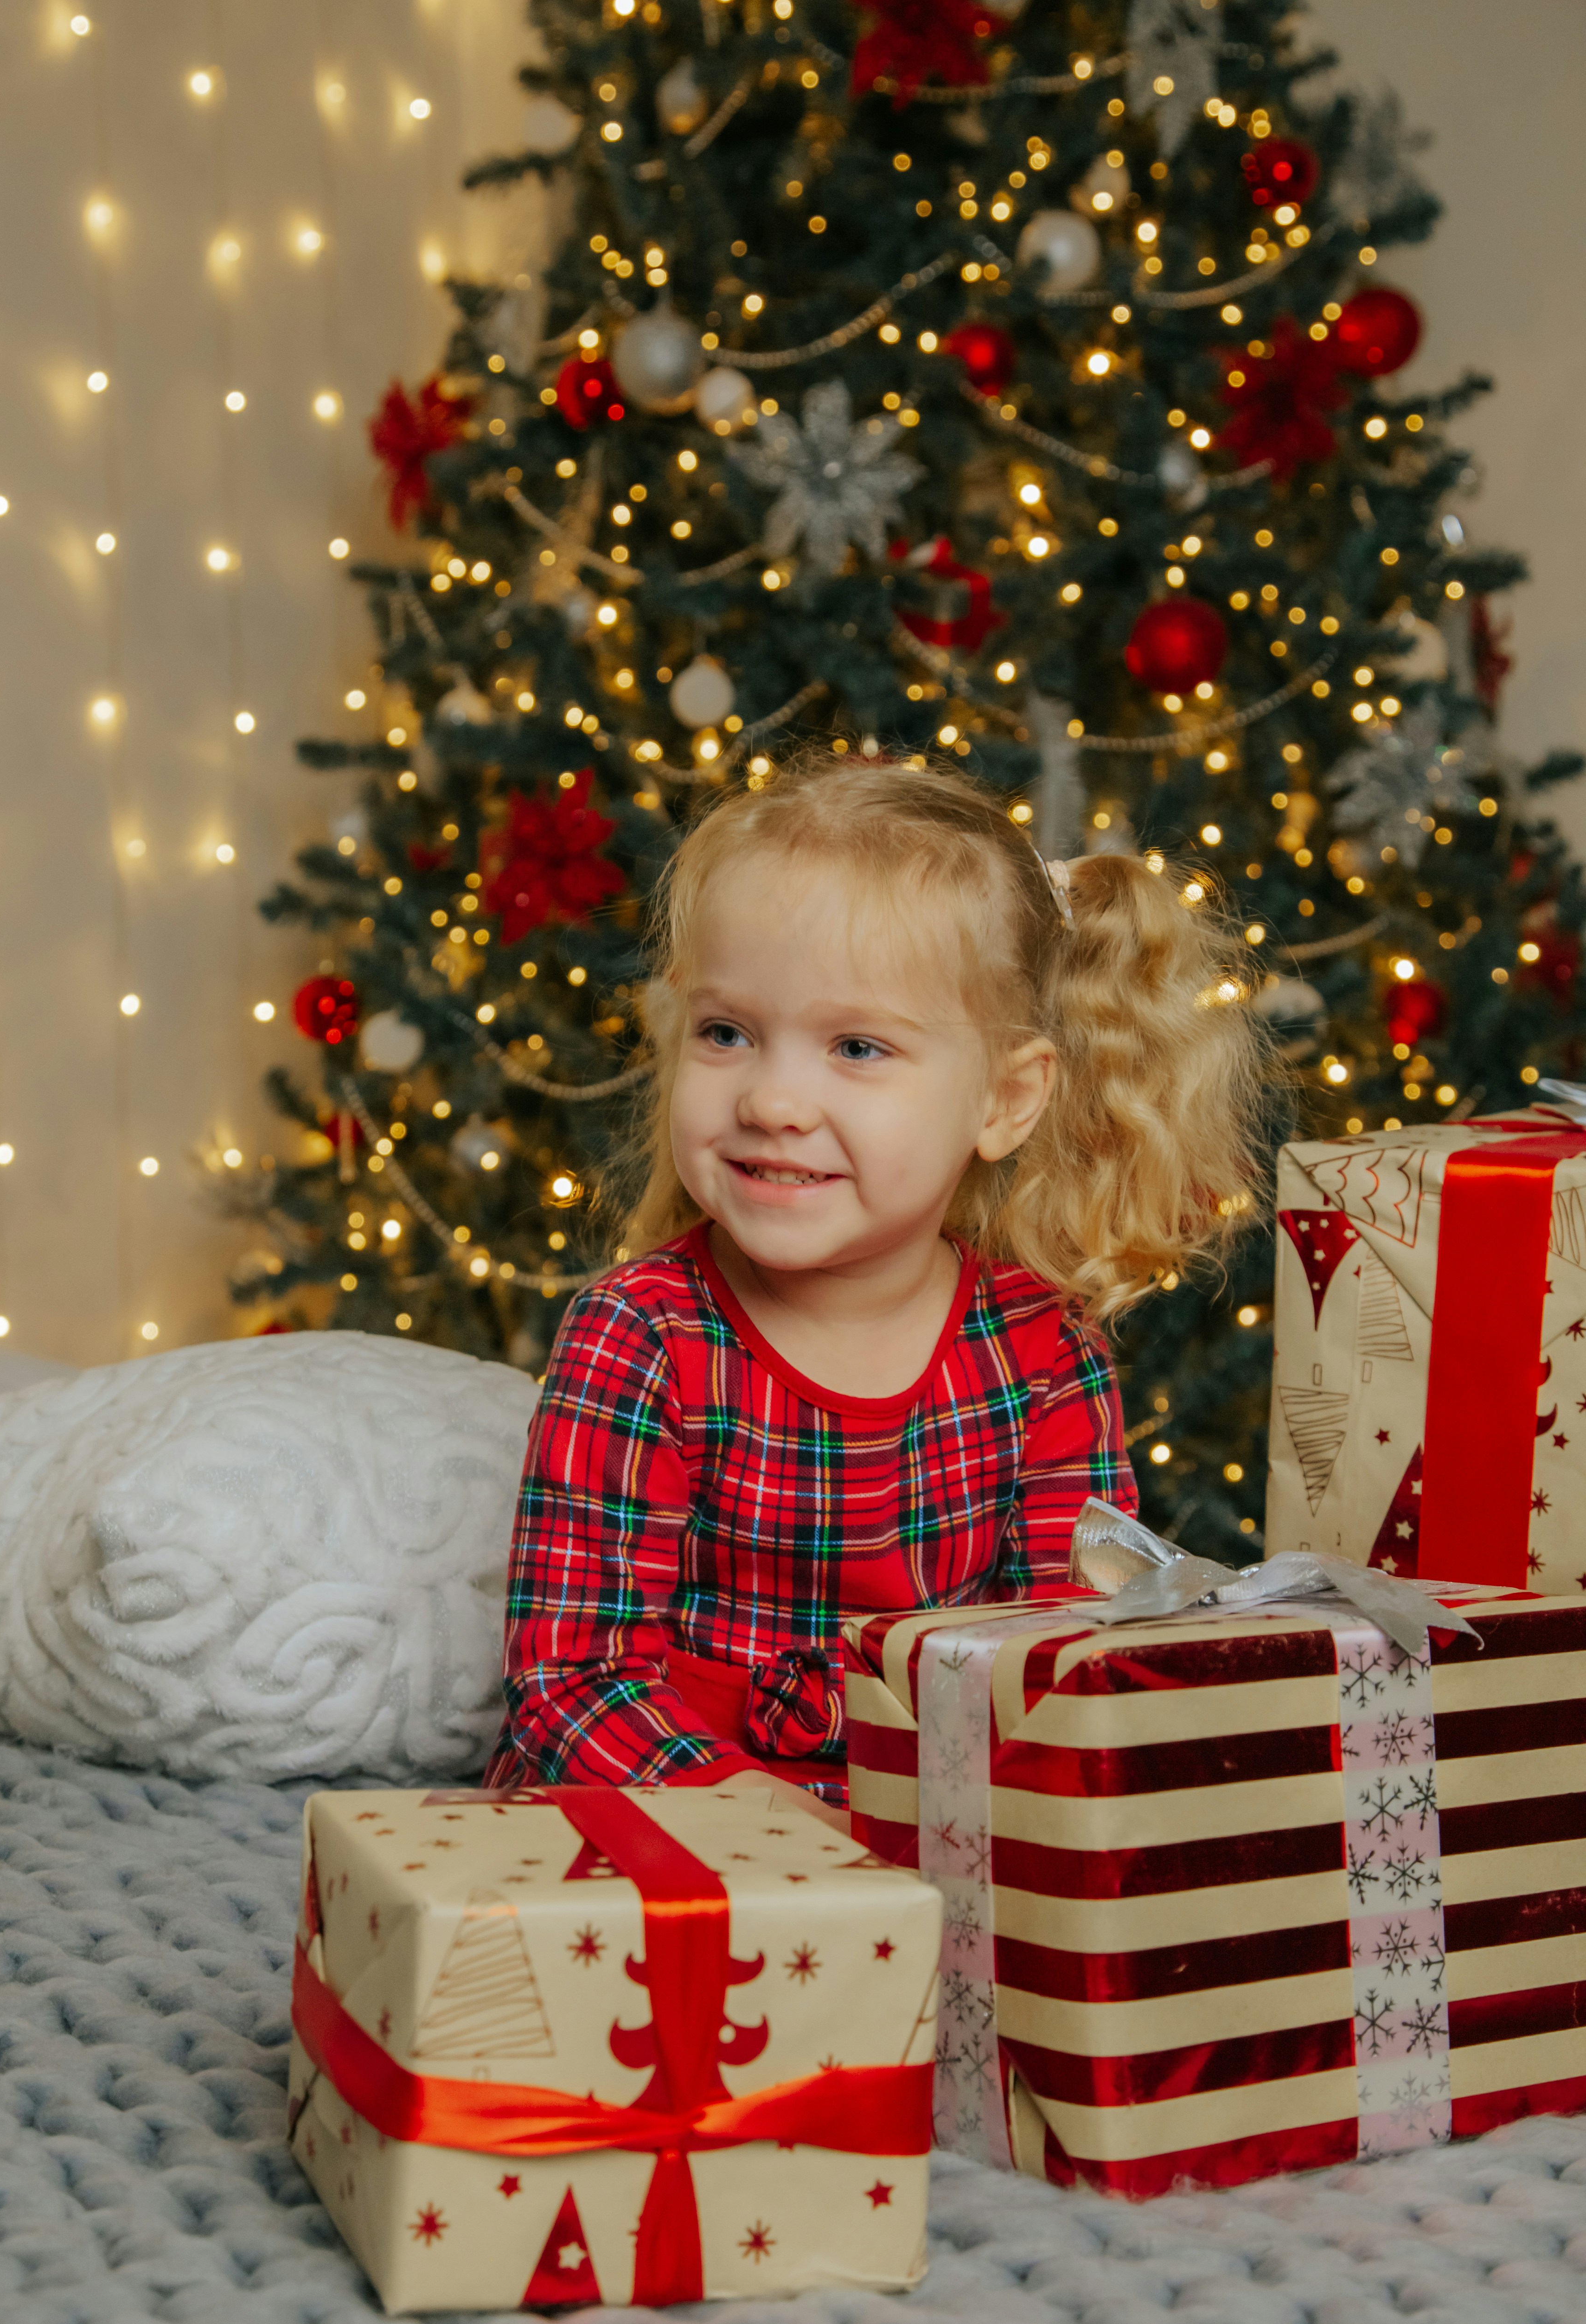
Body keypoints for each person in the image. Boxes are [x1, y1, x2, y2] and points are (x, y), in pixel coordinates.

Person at [485, 753, 1264, 1815]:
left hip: (934, 1816)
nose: (772, 1100)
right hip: (666, 1809)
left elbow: (1056, 1666)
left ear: (1006, 1098)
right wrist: (763, 1823)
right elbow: (570, 1680)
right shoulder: (638, 1334)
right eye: (728, 1033)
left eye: (856, 1046)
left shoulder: (1041, 1352)